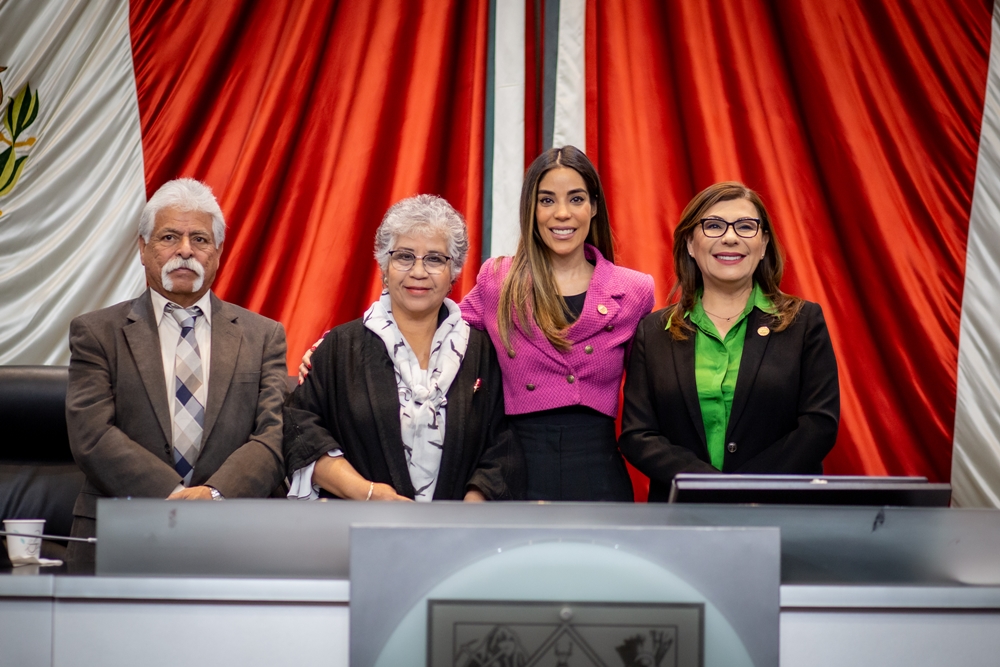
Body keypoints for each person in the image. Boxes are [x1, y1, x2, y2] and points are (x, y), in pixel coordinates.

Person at [66, 178, 288, 564]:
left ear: (218, 252)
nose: (185, 250)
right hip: (123, 531)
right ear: (142, 248)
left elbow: (274, 434)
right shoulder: (96, 333)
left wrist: (213, 494)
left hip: (237, 535)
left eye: (200, 239)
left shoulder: (264, 335)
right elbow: (91, 434)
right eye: (169, 237)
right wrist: (175, 496)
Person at [283, 195, 524, 501]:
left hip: (462, 538)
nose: (419, 272)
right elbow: (299, 430)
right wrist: (367, 493)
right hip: (360, 534)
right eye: (404, 256)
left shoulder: (483, 352)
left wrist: (472, 507)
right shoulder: (339, 349)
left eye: (435, 258)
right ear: (384, 265)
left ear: (455, 271)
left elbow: (506, 443)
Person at [619, 182, 839, 501]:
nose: (730, 237)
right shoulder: (653, 331)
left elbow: (819, 426)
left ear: (763, 244)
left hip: (781, 514)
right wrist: (708, 485)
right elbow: (637, 435)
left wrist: (746, 489)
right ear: (690, 244)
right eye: (713, 226)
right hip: (684, 515)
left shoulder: (804, 322)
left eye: (746, 226)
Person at [460, 146, 655, 501]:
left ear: (594, 207)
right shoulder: (497, 280)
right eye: (546, 200)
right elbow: (444, 340)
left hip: (599, 470)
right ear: (530, 210)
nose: (562, 214)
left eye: (576, 199)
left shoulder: (635, 290)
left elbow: (656, 390)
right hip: (515, 468)